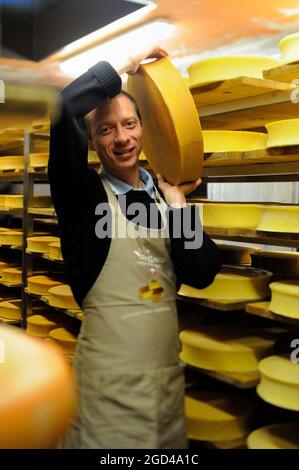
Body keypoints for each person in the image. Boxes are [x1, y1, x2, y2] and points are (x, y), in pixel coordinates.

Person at [48, 47, 221, 449]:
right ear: (91, 141)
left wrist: (180, 208)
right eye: (106, 129)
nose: (122, 138)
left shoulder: (165, 197)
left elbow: (201, 272)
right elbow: (64, 107)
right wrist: (124, 66)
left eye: (129, 124)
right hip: (108, 393)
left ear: (144, 130)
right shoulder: (83, 197)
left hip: (165, 388)